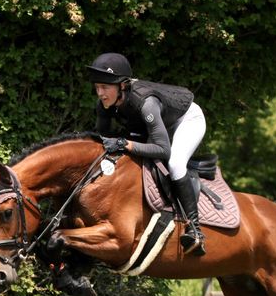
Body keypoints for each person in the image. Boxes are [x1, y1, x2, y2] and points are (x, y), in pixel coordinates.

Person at [87, 52, 207, 255]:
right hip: (156, 124)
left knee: (176, 163)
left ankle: (194, 228)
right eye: (97, 87)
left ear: (122, 86)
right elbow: (103, 138)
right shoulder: (105, 104)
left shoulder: (146, 102)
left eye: (105, 87)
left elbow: (163, 149)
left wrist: (125, 143)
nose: (100, 93)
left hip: (186, 120)